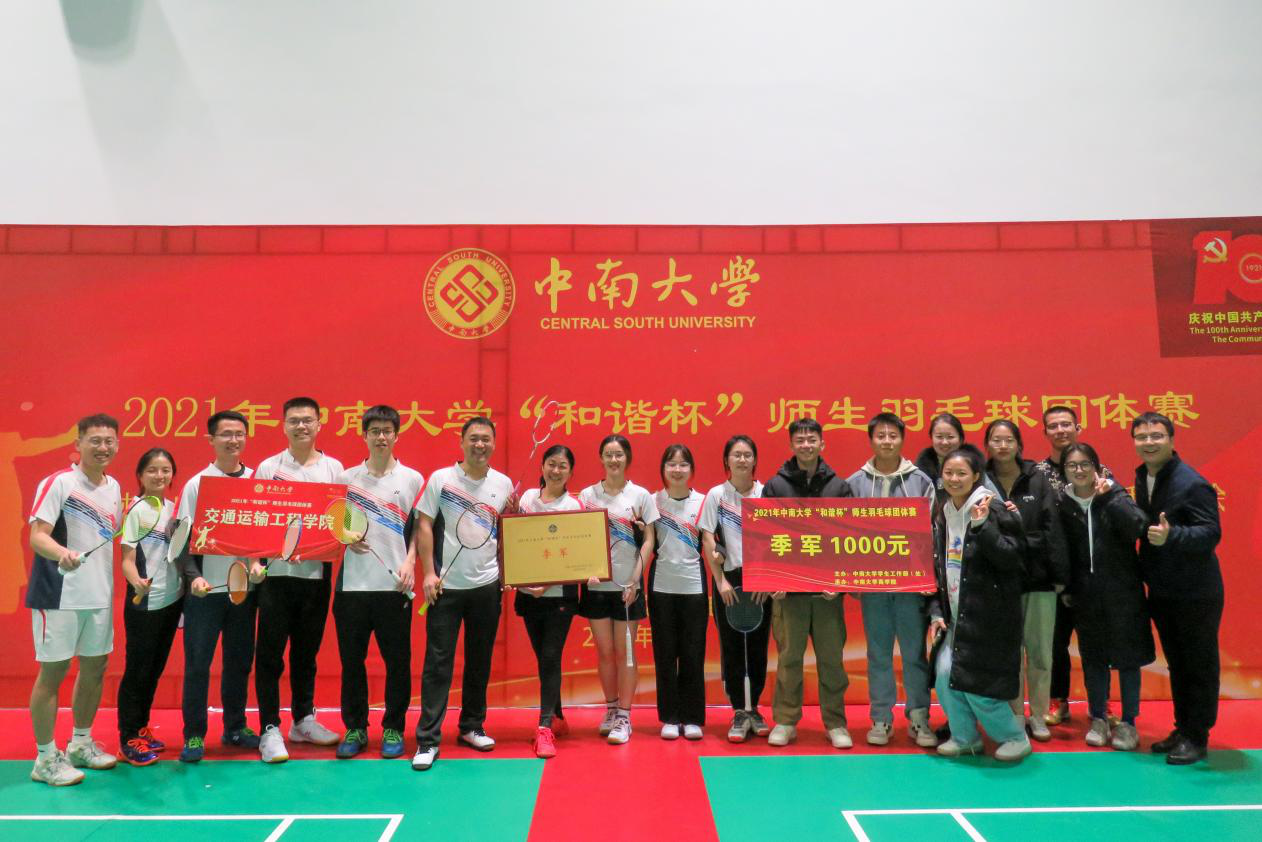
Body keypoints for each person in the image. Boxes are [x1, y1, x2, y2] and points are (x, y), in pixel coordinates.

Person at [412, 416, 514, 771]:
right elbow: (424, 524)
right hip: (446, 587)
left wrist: (512, 573)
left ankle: (472, 725)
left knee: (479, 660)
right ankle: (427, 739)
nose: (479, 444)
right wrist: (428, 572)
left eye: (486, 439)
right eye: (473, 438)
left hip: (487, 586)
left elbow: (509, 531)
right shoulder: (441, 479)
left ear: (493, 443)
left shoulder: (503, 484)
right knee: (438, 663)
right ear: (461, 442)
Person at [26, 414, 123, 785]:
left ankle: (80, 743)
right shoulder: (60, 483)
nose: (102, 447)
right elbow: (38, 535)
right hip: (59, 593)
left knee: (95, 667)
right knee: (53, 673)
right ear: (78, 443)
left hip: (98, 595)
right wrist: (61, 553)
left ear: (117, 445)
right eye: (95, 440)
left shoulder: (113, 487)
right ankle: (45, 758)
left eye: (109, 441)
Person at [252, 397, 345, 762]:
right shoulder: (269, 467)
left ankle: (303, 720)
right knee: (270, 656)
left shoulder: (334, 469)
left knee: (306, 653)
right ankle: (269, 728)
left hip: (315, 576)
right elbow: (257, 517)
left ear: (320, 424)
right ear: (284, 425)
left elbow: (338, 520)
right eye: (294, 420)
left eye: (307, 420)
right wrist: (257, 562)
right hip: (275, 577)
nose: (301, 426)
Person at [927, 447, 1031, 762]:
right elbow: (939, 566)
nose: (954, 479)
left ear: (976, 476)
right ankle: (965, 738)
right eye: (948, 473)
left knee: (977, 686)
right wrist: (937, 610)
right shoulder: (944, 511)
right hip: (956, 614)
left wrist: (982, 526)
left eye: (962, 473)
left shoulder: (994, 508)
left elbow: (1013, 559)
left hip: (988, 616)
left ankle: (1014, 737)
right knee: (945, 676)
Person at [1132, 412, 1223, 765]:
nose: (1149, 442)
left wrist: (1173, 536)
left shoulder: (1191, 483)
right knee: (1178, 664)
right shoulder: (1144, 475)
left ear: (1171, 439)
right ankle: (1183, 728)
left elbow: (1211, 533)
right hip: (1164, 589)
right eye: (1142, 437)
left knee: (1198, 665)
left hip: (1196, 592)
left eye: (1156, 436)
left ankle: (1197, 736)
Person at [332, 405, 421, 760]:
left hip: (394, 588)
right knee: (352, 662)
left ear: (396, 435)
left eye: (387, 431)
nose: (381, 437)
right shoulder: (346, 478)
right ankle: (355, 727)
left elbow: (419, 529)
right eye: (375, 431)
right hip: (352, 587)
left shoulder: (412, 479)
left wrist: (411, 562)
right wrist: (345, 536)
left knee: (397, 662)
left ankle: (394, 727)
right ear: (364, 435)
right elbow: (333, 523)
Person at [846, 412, 938, 748]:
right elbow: (844, 536)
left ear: (902, 439)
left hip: (911, 587)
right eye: (880, 436)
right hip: (873, 586)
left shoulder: (921, 482)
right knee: (878, 654)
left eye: (893, 435)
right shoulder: (854, 484)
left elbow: (931, 534)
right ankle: (881, 718)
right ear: (871, 440)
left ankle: (919, 717)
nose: (887, 441)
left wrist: (926, 577)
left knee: (914, 653)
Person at [763, 417, 854, 749]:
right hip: (789, 594)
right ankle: (785, 721)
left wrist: (840, 581)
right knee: (789, 659)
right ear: (791, 445)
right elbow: (764, 537)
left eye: (811, 439)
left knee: (832, 661)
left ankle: (836, 723)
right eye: (800, 440)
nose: (806, 445)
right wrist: (772, 578)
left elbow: (850, 539)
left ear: (822, 444)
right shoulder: (776, 486)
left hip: (828, 594)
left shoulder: (839, 487)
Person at [177, 410, 262, 762]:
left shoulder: (257, 481)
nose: (233, 440)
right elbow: (181, 539)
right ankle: (194, 735)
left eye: (239, 434)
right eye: (226, 434)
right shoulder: (197, 484)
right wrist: (192, 576)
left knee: (239, 662)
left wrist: (259, 564)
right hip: (205, 593)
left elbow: (266, 535)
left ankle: (235, 727)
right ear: (211, 440)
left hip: (244, 592)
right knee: (198, 665)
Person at [1058, 442, 1153, 752]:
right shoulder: (1063, 503)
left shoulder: (1115, 495)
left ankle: (1128, 722)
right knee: (1094, 659)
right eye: (1072, 465)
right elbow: (1061, 550)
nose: (1079, 470)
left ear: (1097, 467)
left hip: (1123, 592)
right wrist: (1067, 587)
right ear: (1064, 470)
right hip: (1085, 596)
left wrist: (1110, 496)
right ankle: (1098, 717)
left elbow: (1138, 526)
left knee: (1128, 659)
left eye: (1085, 464)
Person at [983, 419, 1068, 743]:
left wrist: (1058, 574)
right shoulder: (981, 478)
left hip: (1039, 578)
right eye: (996, 440)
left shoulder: (1037, 478)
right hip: (999, 579)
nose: (1003, 446)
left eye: (1009, 440)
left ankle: (1039, 715)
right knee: (1010, 653)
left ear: (1019, 445)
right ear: (987, 445)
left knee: (1041, 652)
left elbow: (1052, 527)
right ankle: (1015, 713)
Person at [1035, 405, 1113, 727]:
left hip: (1091, 572)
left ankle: (1101, 705)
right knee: (1055, 642)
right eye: (1053, 426)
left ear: (1078, 427)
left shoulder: (1100, 471)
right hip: (1053, 573)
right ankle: (1058, 700)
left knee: (1096, 643)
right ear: (1045, 432)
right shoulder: (1037, 474)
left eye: (1066, 424)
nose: (1060, 430)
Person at [578, 434, 659, 745]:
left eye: (619, 455)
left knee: (626, 653)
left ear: (628, 459)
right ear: (601, 458)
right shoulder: (587, 495)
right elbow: (578, 537)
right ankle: (611, 709)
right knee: (605, 652)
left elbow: (649, 540)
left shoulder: (641, 496)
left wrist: (636, 580)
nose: (614, 460)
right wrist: (583, 569)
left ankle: (625, 716)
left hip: (628, 587)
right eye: (609, 455)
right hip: (597, 586)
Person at [699, 434, 771, 743]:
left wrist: (768, 579)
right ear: (727, 461)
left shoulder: (766, 493)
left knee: (758, 645)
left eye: (747, 455)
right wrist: (720, 581)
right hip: (728, 580)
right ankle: (738, 711)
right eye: (736, 455)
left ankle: (754, 709)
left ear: (755, 460)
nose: (742, 460)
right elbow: (707, 539)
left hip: (760, 581)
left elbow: (777, 540)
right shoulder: (716, 495)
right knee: (731, 647)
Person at [513, 444, 581, 759]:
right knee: (543, 657)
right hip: (529, 595)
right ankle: (558, 716)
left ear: (570, 472)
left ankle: (544, 727)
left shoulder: (574, 506)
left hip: (560, 597)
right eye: (551, 464)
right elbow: (516, 543)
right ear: (542, 466)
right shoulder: (527, 499)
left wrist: (548, 583)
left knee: (551, 656)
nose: (556, 470)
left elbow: (575, 554)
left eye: (562, 466)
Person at [116, 448, 181, 766]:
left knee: (154, 670)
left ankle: (141, 728)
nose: (159, 475)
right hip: (144, 604)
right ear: (140, 476)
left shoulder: (173, 509)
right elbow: (127, 560)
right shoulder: (137, 510)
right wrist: (137, 582)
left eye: (165, 470)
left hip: (171, 601)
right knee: (137, 672)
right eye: (152, 470)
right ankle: (128, 738)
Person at [649, 444, 708, 741]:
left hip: (694, 586)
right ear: (663, 469)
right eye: (671, 464)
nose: (677, 469)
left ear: (691, 470)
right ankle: (670, 717)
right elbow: (645, 542)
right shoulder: (652, 501)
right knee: (665, 653)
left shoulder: (704, 502)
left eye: (683, 464)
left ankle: (692, 717)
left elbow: (711, 542)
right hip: (661, 586)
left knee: (693, 653)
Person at [913, 413, 999, 498]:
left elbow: (995, 499)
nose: (945, 442)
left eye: (950, 437)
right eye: (939, 437)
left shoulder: (974, 464)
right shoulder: (921, 471)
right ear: (932, 438)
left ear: (960, 439)